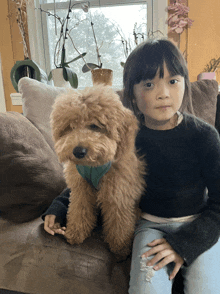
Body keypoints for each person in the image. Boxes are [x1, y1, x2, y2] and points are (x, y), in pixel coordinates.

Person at [43, 39, 220, 294]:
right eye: (149, 84)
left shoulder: (205, 136)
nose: (163, 93)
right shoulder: (125, 134)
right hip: (148, 225)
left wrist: (185, 244)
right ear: (132, 94)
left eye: (173, 81)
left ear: (184, 83)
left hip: (197, 223)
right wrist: (59, 206)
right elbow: (92, 173)